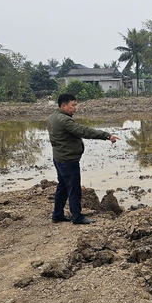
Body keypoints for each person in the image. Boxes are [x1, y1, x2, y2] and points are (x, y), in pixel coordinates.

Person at [47, 93, 120, 224]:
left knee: (62, 188)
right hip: (68, 161)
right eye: (73, 105)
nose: (75, 108)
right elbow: (84, 131)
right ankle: (77, 217)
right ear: (64, 105)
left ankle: (57, 214)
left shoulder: (53, 116)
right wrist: (107, 136)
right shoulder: (64, 120)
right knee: (74, 189)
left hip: (59, 158)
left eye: (76, 105)